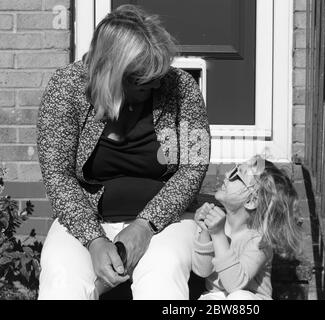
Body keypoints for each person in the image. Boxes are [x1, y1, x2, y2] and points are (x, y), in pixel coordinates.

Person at [36, 4, 210, 300]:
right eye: (143, 80)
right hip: (85, 216)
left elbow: (193, 166)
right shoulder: (66, 87)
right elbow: (57, 174)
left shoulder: (180, 87)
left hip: (167, 220)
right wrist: (93, 239)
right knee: (62, 278)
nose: (156, 83)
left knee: (162, 274)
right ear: (113, 74)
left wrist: (145, 226)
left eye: (159, 74)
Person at [192, 156, 303, 300]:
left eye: (236, 175)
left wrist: (218, 235)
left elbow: (234, 285)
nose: (227, 175)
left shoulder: (259, 241)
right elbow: (202, 271)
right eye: (233, 169)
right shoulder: (217, 223)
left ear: (251, 201)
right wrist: (205, 231)